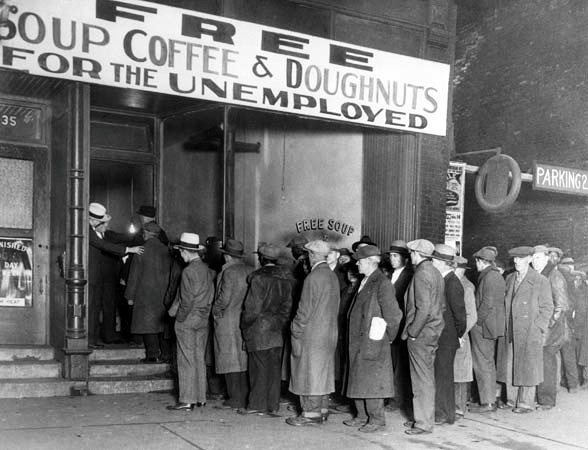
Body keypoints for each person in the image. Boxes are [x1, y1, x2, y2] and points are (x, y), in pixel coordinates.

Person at [344, 245, 402, 433]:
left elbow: (393, 315)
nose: (356, 263)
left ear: (370, 262)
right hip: (360, 341)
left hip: (372, 341)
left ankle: (376, 419)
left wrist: (388, 338)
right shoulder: (366, 280)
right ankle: (362, 416)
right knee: (359, 378)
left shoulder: (382, 283)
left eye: (359, 261)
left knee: (372, 381)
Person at [286, 240, 340, 426]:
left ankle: (310, 414)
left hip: (312, 333)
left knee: (308, 372)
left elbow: (303, 310)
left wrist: (295, 328)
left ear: (313, 255)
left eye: (308, 254)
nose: (307, 258)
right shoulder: (332, 276)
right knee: (323, 372)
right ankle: (323, 410)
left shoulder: (313, 278)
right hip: (329, 333)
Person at [496, 246, 553, 414]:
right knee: (511, 363)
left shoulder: (539, 280)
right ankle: (512, 399)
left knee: (528, 365)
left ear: (529, 259)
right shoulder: (510, 278)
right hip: (511, 329)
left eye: (520, 259)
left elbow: (548, 307)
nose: (516, 262)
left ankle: (526, 402)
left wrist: (538, 327)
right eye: (514, 259)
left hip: (529, 330)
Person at [239, 243, 294, 416]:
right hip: (276, 330)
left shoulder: (257, 279)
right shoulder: (285, 280)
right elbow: (287, 308)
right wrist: (278, 322)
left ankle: (256, 405)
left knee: (258, 369)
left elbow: (252, 309)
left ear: (261, 258)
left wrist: (244, 325)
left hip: (258, 329)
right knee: (274, 369)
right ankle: (273, 405)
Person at [166, 233, 215, 411]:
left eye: (181, 251)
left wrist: (179, 319)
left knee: (186, 360)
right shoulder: (207, 270)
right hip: (203, 319)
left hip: (188, 320)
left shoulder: (188, 271)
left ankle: (186, 399)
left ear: (186, 251)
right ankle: (200, 397)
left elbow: (186, 301)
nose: (180, 255)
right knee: (198, 358)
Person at [402, 239, 445, 435]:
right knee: (426, 376)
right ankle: (424, 417)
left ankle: (423, 422)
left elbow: (424, 308)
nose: (410, 257)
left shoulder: (421, 273)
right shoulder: (436, 272)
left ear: (417, 254)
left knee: (421, 378)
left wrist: (412, 331)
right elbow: (439, 306)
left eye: (411, 253)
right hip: (432, 331)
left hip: (421, 333)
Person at [87, 202, 143, 348]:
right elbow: (103, 245)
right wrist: (129, 250)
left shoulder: (93, 230)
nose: (105, 225)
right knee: (92, 308)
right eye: (102, 222)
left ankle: (92, 340)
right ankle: (89, 340)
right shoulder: (87, 231)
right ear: (93, 220)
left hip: (98, 277)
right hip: (92, 277)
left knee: (96, 308)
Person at [212, 239, 254, 410]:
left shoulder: (228, 272)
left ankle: (234, 397)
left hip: (227, 319)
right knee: (242, 359)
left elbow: (224, 298)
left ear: (227, 257)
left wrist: (215, 310)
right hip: (244, 318)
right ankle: (243, 395)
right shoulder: (250, 270)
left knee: (228, 358)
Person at [124, 222, 172, 362]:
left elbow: (134, 275)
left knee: (147, 324)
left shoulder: (141, 250)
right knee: (162, 325)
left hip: (145, 293)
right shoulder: (166, 250)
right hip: (164, 293)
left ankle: (152, 355)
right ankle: (166, 354)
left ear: (146, 233)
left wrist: (129, 296)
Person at [430, 244, 467, 426]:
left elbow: (460, 314)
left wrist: (456, 335)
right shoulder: (443, 280)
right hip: (443, 336)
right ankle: (442, 413)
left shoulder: (452, 283)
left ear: (443, 263)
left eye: (435, 260)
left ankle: (444, 414)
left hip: (447, 338)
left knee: (443, 377)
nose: (432, 262)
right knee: (440, 375)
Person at [532, 245, 571, 409]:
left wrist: (547, 325)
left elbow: (561, 305)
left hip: (551, 331)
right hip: (544, 329)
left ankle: (547, 400)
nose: (535, 261)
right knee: (542, 363)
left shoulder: (554, 276)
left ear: (547, 258)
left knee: (547, 363)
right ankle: (543, 397)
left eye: (539, 258)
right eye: (533, 258)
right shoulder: (541, 274)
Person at [469, 246, 506, 413]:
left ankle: (488, 402)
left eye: (476, 261)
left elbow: (487, 304)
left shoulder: (489, 277)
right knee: (488, 362)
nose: (476, 265)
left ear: (481, 261)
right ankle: (490, 399)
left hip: (483, 327)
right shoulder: (495, 275)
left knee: (482, 363)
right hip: (491, 326)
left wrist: (476, 322)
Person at [387, 240, 413, 412]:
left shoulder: (410, 276)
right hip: (390, 325)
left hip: (401, 325)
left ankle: (399, 400)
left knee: (401, 364)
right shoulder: (390, 275)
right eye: (390, 256)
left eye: (395, 256)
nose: (392, 259)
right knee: (392, 361)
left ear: (405, 259)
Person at [453, 256, 477, 419]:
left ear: (460, 269)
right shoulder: (454, 283)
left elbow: (472, 316)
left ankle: (459, 407)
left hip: (460, 337)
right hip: (452, 336)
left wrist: (460, 335)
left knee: (460, 374)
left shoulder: (467, 287)